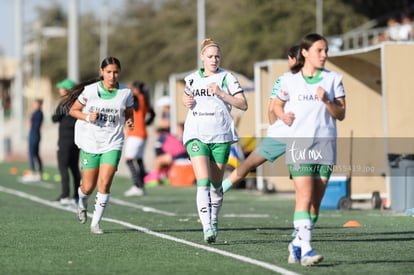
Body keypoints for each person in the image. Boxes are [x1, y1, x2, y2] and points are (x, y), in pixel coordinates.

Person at [274, 33, 346, 266]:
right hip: (299, 144)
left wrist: (327, 101)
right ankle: (306, 249)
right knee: (304, 197)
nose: (324, 55)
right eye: (319, 51)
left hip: (325, 145)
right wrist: (282, 116)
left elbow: (341, 114)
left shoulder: (334, 79)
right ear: (305, 53)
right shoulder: (289, 80)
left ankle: (296, 243)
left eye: (326, 51)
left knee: (316, 203)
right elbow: (276, 104)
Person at [182, 38, 248, 243]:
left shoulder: (227, 78)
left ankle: (213, 219)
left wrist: (221, 93)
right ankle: (207, 227)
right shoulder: (191, 79)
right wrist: (187, 100)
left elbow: (243, 104)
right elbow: (186, 97)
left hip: (221, 136)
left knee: (216, 186)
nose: (214, 60)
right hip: (196, 134)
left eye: (217, 56)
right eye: (210, 56)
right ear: (202, 57)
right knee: (202, 182)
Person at [67, 57, 134, 234]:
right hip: (91, 142)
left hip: (113, 142)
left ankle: (95, 223)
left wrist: (129, 121)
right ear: (102, 72)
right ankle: (82, 203)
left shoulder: (126, 92)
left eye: (116, 72)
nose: (112, 76)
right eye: (109, 72)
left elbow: (129, 112)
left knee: (104, 184)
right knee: (88, 187)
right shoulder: (90, 91)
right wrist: (89, 117)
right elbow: (73, 110)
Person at [221, 45, 301, 193]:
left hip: (281, 132)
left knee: (248, 164)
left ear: (292, 60)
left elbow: (272, 108)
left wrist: (274, 129)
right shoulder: (314, 80)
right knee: (301, 178)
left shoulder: (284, 79)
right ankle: (305, 211)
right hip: (304, 133)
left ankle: (218, 191)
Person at [123, 81, 156, 197]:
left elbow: (131, 96)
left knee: (129, 160)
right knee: (139, 160)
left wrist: (128, 88)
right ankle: (141, 186)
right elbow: (152, 113)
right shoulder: (145, 100)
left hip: (135, 134)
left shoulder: (138, 98)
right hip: (142, 134)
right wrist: (145, 123)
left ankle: (137, 186)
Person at [52, 78, 81, 205]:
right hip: (76, 140)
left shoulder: (64, 104)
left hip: (64, 140)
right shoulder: (79, 103)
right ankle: (76, 195)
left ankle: (65, 195)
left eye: (62, 88)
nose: (60, 90)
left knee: (63, 167)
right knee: (74, 168)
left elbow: (55, 118)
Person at [22, 98, 44, 182]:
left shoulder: (38, 113)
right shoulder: (36, 113)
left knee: (32, 154)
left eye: (35, 104)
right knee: (35, 154)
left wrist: (29, 118)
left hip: (35, 135)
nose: (34, 105)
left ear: (39, 104)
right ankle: (38, 172)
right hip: (33, 134)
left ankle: (33, 173)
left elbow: (31, 124)